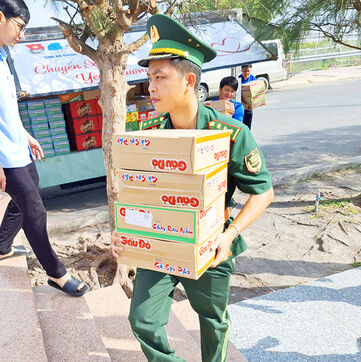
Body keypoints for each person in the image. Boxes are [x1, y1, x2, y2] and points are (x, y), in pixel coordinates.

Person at [110, 14, 274, 361]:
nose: (150, 87)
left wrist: (228, 236)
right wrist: (124, 232)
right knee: (142, 320)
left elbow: (264, 192)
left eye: (159, 77)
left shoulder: (229, 133)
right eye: (148, 78)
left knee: (212, 320)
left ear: (188, 81)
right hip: (160, 242)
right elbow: (140, 191)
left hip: (210, 245)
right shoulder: (149, 133)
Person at [0, 0, 89, 297]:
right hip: (3, 154)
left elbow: (3, 108)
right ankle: (56, 274)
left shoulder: (0, 54)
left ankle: (1, 248)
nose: (21, 35)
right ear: (0, 16)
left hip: (17, 146)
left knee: (27, 196)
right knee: (34, 210)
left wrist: (26, 135)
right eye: (19, 27)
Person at [238, 64, 256, 129]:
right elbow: (237, 94)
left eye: (248, 71)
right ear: (242, 70)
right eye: (245, 71)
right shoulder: (238, 79)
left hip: (249, 108)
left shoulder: (253, 78)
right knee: (240, 126)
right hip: (240, 106)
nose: (246, 73)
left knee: (248, 127)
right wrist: (243, 104)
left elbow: (256, 93)